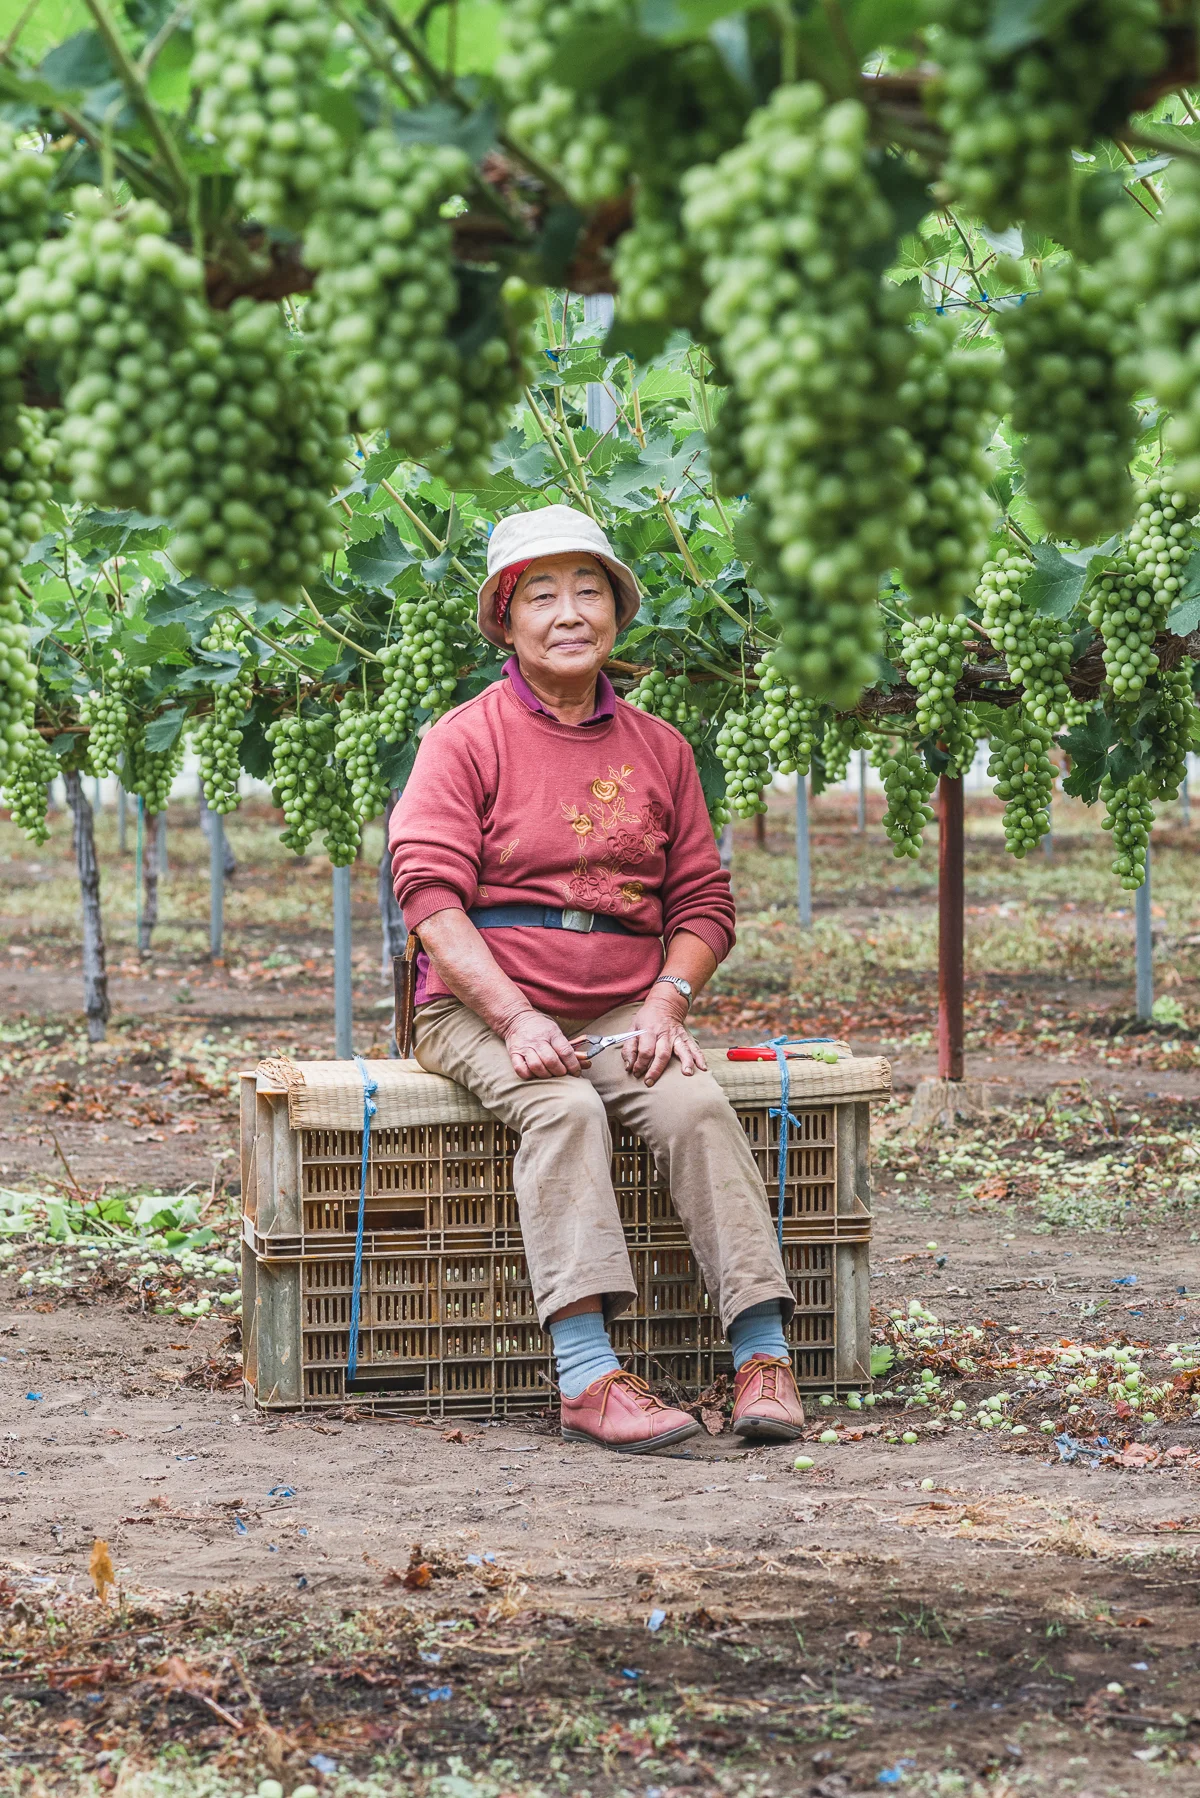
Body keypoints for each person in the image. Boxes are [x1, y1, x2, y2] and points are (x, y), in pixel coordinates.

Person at [389, 504, 806, 1453]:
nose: (569, 611)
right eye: (542, 594)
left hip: (622, 1001)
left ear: (617, 614)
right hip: (473, 1003)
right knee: (564, 1107)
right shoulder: (464, 738)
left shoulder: (660, 748)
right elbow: (429, 900)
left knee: (697, 1105)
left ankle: (762, 1356)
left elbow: (703, 902)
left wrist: (667, 1000)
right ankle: (586, 1376)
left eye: (590, 591)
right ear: (505, 618)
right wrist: (514, 1016)